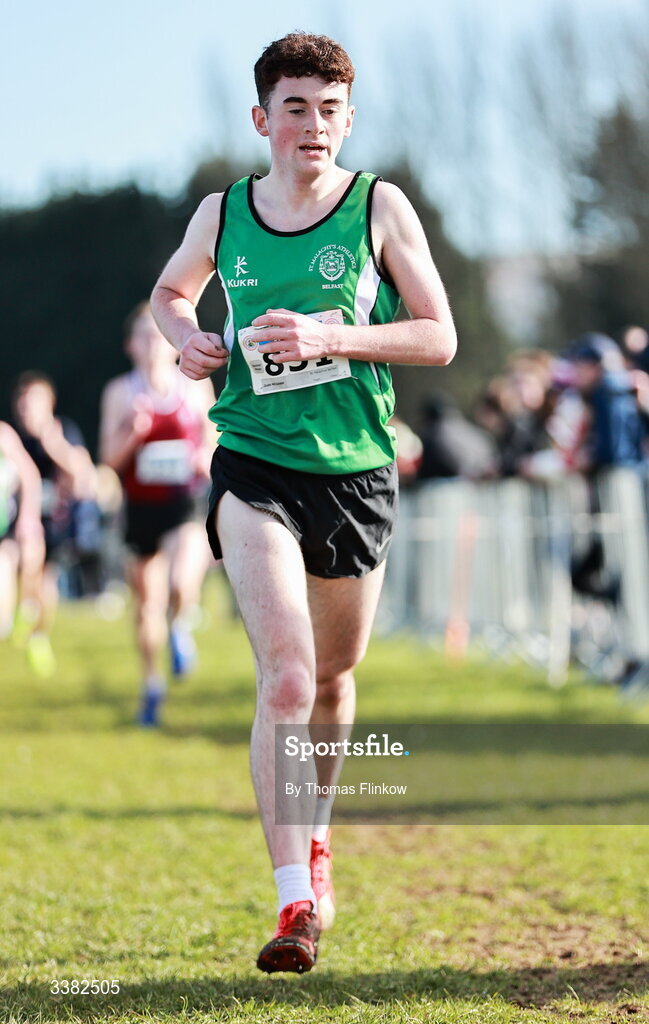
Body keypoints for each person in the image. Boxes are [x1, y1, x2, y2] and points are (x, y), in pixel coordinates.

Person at [151, 31, 456, 973]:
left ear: (347, 120)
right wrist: (188, 339)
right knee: (284, 675)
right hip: (252, 461)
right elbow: (170, 294)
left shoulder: (377, 206)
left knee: (330, 678)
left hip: (355, 469)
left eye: (329, 109)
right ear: (262, 119)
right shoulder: (223, 211)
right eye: (295, 107)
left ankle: (318, 838)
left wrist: (338, 336)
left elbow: (438, 335)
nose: (312, 125)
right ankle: (292, 906)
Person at [99, 302, 216, 726]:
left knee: (181, 581)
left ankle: (181, 625)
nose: (151, 345)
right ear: (131, 346)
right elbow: (109, 460)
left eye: (157, 337)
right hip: (139, 507)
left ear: (171, 345)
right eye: (143, 337)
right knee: (146, 605)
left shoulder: (193, 387)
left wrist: (205, 455)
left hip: (183, 504)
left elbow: (212, 438)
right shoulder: (119, 392)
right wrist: (133, 435)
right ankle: (152, 684)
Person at [11, 372, 97, 675]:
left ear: (49, 404)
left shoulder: (63, 431)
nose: (27, 410)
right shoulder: (13, 439)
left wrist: (53, 444)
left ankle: (38, 633)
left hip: (56, 521)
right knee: (23, 563)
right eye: (22, 404)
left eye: (33, 403)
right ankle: (22, 611)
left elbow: (84, 475)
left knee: (47, 582)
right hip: (20, 522)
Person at [0, 422, 45, 642]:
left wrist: (28, 518)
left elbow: (30, 476)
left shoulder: (3, 435)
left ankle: (23, 615)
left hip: (4, 531)